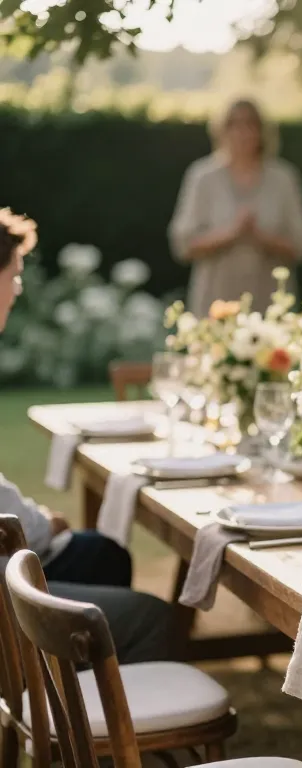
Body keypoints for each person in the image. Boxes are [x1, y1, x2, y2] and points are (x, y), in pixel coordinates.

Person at [0, 209, 170, 663]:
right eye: (13, 276)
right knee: (157, 618)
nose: (17, 290)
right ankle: (89, 725)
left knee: (105, 555)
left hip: (11, 556)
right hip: (6, 587)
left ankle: (78, 693)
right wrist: (44, 523)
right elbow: (9, 525)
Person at [168, 98, 302, 316]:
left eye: (250, 124)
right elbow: (183, 245)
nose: (243, 132)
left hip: (270, 306)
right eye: (234, 124)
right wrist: (230, 234)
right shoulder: (202, 177)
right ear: (221, 130)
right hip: (214, 305)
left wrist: (261, 237)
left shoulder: (283, 178)